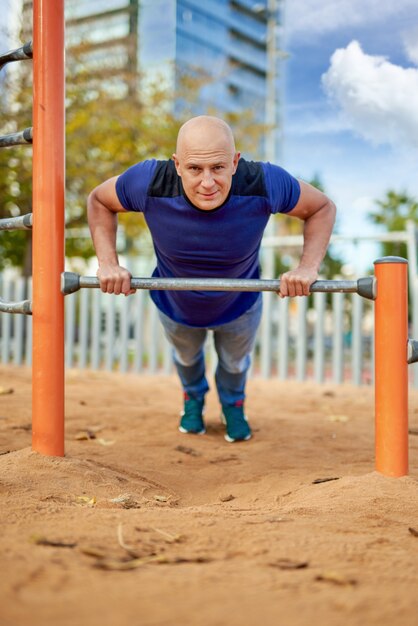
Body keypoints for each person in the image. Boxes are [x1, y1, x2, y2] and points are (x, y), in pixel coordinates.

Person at [87, 115, 336, 443]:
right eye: (194, 169)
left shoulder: (263, 181)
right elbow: (100, 200)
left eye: (218, 168)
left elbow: (321, 208)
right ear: (177, 165)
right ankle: (193, 398)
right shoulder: (149, 181)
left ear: (235, 162)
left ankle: (233, 405)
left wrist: (307, 267)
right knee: (187, 359)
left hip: (240, 304)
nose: (207, 182)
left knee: (234, 365)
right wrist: (108, 263)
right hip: (176, 304)